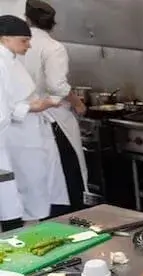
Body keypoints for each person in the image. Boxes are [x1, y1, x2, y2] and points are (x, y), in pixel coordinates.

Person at [23, 0, 87, 216]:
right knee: (67, 177)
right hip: (53, 120)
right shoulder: (52, 47)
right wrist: (78, 103)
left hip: (27, 120)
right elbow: (57, 86)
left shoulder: (12, 46)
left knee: (39, 179)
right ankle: (73, 221)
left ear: (26, 19)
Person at [0, 14, 64, 222]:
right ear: (5, 38)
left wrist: (35, 106)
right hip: (14, 135)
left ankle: (31, 222)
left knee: (33, 182)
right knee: (25, 183)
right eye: (24, 41)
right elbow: (4, 108)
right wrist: (31, 107)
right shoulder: (1, 63)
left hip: (26, 132)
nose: (28, 46)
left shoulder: (11, 60)